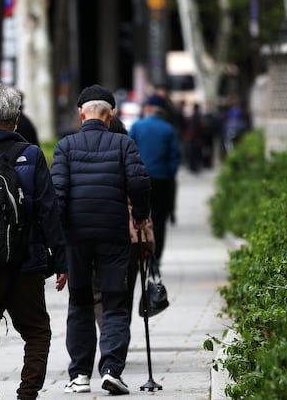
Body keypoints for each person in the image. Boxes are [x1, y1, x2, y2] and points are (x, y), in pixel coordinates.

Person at [0, 81, 68, 400]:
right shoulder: (31, 155)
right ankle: (26, 395)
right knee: (37, 332)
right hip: (25, 262)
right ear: (17, 118)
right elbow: (48, 210)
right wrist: (61, 261)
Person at [51, 85, 151, 395]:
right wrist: (140, 216)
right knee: (115, 303)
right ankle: (111, 370)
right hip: (113, 235)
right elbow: (139, 184)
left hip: (76, 238)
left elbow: (57, 195)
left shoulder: (65, 147)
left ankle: (80, 375)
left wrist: (56, 241)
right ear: (111, 115)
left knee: (80, 303)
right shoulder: (124, 144)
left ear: (81, 114)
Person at [92, 116, 155, 328]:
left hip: (96, 236)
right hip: (131, 236)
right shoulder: (130, 159)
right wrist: (149, 242)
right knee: (124, 295)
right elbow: (141, 200)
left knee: (99, 293)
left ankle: (108, 333)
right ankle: (118, 337)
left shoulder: (87, 160)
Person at [129, 94, 180, 264]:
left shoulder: (137, 127)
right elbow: (174, 157)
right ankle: (155, 256)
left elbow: (129, 152)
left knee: (139, 217)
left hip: (139, 179)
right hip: (161, 180)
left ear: (148, 109)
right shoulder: (168, 129)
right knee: (159, 219)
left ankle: (140, 252)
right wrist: (169, 174)